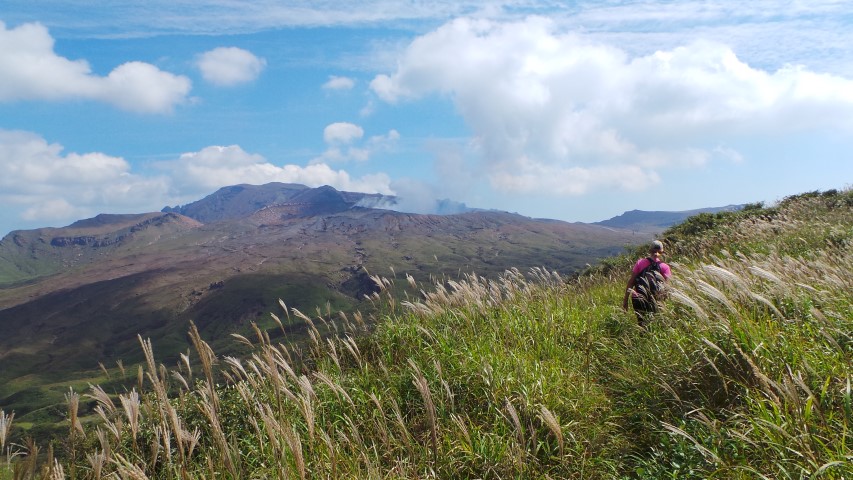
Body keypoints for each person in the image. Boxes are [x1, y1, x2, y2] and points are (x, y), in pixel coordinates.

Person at [622, 240, 672, 327]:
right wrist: (663, 302)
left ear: (649, 251)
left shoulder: (640, 263)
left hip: (638, 297)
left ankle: (641, 336)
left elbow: (631, 282)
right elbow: (667, 287)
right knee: (656, 324)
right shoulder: (665, 267)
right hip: (656, 299)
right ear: (662, 252)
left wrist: (625, 300)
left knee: (642, 323)